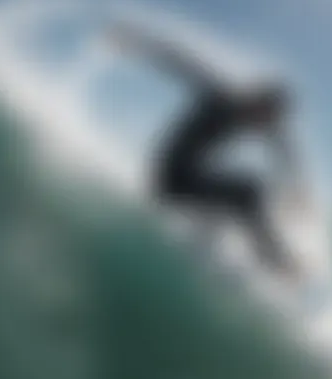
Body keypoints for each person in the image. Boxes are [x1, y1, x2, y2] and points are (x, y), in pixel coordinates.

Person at [108, 22, 306, 280]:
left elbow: (284, 148)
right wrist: (135, 43)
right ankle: (276, 264)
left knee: (242, 194)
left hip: (191, 176)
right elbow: (179, 61)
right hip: (170, 176)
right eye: (267, 117)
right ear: (258, 101)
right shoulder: (220, 95)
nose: (263, 127)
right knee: (247, 191)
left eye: (270, 121)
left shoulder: (258, 120)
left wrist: (298, 190)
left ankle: (209, 249)